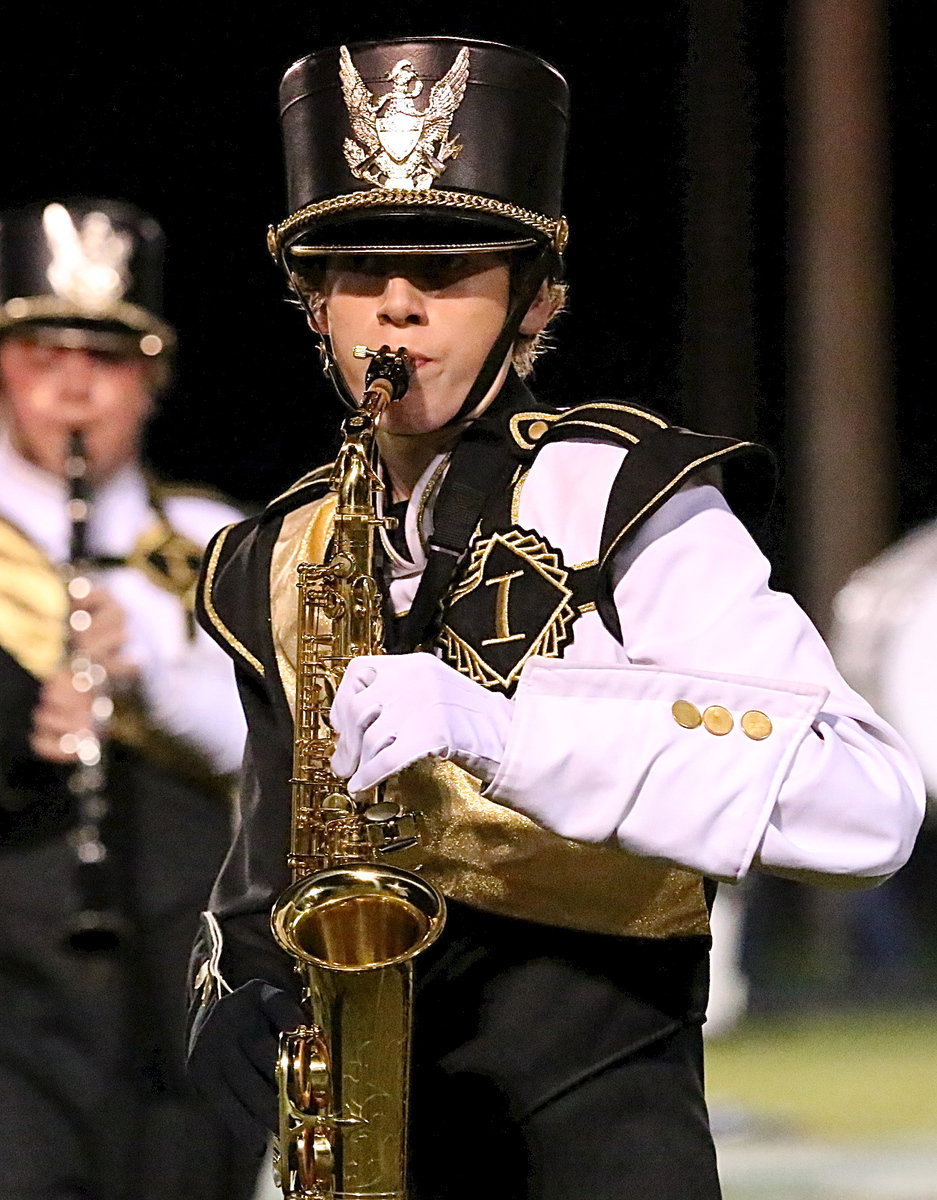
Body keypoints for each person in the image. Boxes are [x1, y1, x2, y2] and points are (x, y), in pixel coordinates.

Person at [185, 38, 925, 1200]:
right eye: (359, 267)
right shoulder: (273, 554)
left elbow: (867, 808)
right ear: (313, 302)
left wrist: (512, 732)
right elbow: (265, 853)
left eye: (448, 270)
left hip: (605, 1148)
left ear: (537, 299)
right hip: (383, 1139)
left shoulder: (629, 497)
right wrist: (239, 983)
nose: (396, 305)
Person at [0, 198, 261, 1200]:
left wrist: (145, 671)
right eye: (43, 354)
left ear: (153, 378)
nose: (72, 386)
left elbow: (283, 745)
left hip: (185, 986)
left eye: (108, 359)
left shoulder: (211, 541)